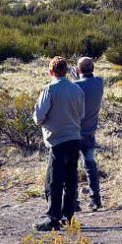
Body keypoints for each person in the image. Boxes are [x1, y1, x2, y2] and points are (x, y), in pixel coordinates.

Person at [33, 56, 85, 231]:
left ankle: (53, 218)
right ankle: (67, 217)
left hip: (57, 140)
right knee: (70, 180)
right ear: (66, 71)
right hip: (74, 138)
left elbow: (39, 117)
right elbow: (81, 114)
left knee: (53, 181)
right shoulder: (77, 90)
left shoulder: (49, 90)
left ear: (51, 72)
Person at [74, 56, 104, 211]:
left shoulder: (75, 86)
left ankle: (74, 202)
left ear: (78, 70)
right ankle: (95, 199)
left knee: (71, 167)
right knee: (90, 165)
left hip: (74, 132)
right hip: (90, 132)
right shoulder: (100, 82)